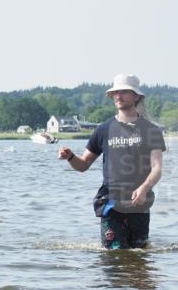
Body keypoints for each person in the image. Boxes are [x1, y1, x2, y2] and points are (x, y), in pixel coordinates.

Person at [58, 73, 166, 249]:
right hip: (110, 204)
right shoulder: (104, 129)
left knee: (139, 261)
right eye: (115, 92)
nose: (118, 96)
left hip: (139, 204)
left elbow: (157, 168)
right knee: (114, 257)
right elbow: (83, 165)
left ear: (136, 96)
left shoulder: (151, 130)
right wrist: (70, 157)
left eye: (124, 91)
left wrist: (144, 188)